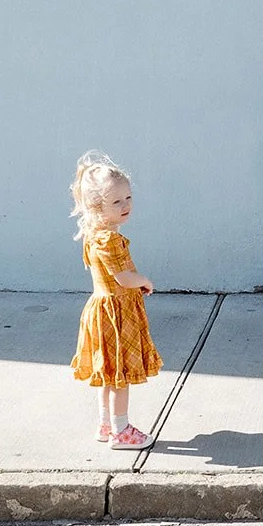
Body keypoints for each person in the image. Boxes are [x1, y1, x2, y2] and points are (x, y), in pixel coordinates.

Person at [69, 151, 163, 449]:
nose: (126, 206)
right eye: (116, 202)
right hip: (116, 314)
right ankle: (122, 431)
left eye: (128, 198)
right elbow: (123, 278)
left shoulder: (95, 234)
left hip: (102, 309)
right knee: (120, 376)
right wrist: (144, 280)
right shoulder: (110, 240)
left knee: (108, 373)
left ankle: (106, 424)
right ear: (97, 206)